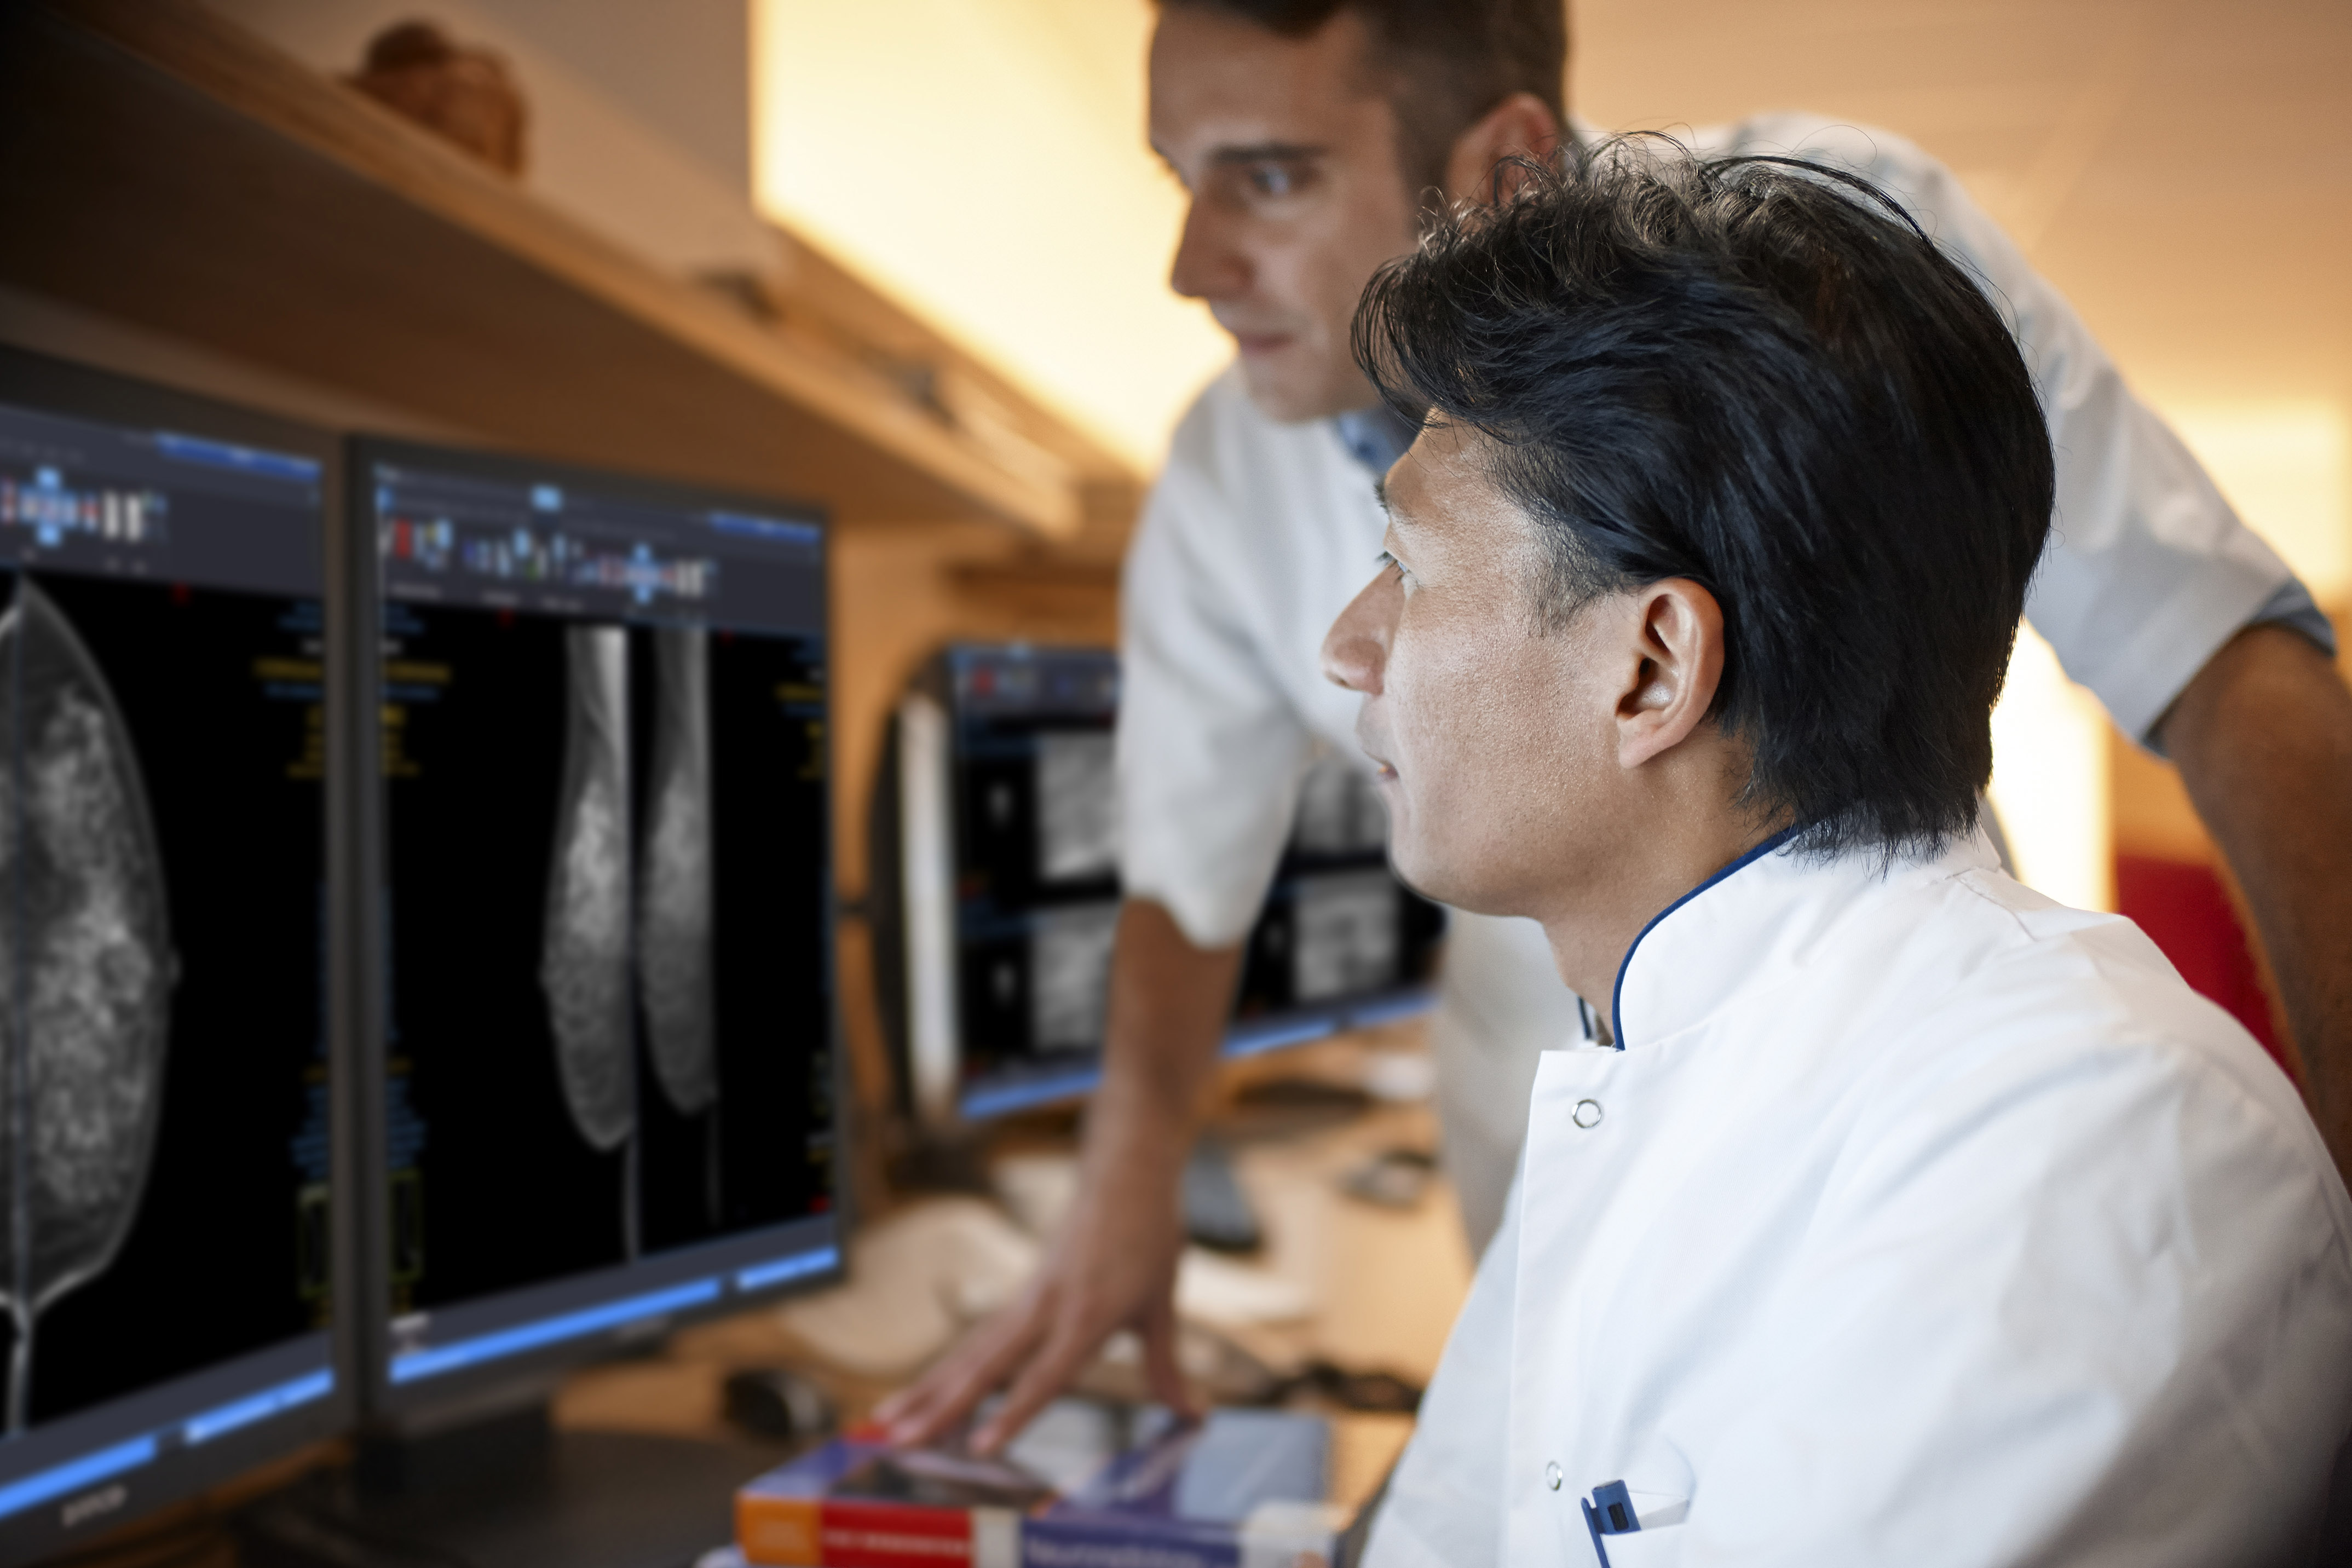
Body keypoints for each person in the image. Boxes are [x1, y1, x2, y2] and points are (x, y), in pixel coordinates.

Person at [878, 0, 2352, 1454]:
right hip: (1544, 1111)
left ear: (1509, 160)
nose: (1189, 267)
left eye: (1272, 176)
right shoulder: (1226, 466)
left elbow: (2219, 658)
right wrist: (1122, 1198)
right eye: (1176, 177)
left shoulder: (1826, 265)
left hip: (1868, 1077)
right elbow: (1185, 881)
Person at [1330, 136, 2352, 1568]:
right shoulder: (1662, 1068)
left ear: (1651, 671)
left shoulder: (2088, 1147)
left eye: (1410, 572)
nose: (1347, 646)